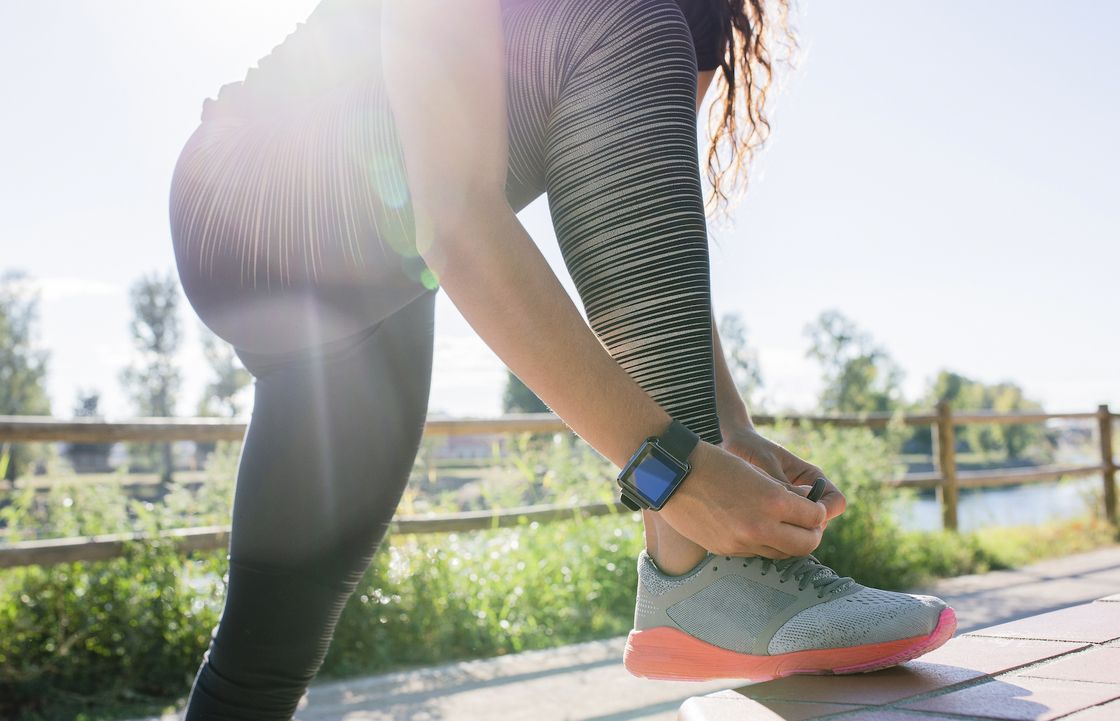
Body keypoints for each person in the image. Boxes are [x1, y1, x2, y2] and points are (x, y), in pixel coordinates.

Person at [168, 0, 955, 717]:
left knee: (262, 664)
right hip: (258, 185)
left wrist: (726, 428)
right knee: (626, 18)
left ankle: (704, 567)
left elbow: (649, 232)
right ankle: (700, 567)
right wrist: (672, 474)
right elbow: (457, 217)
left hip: (374, 281)